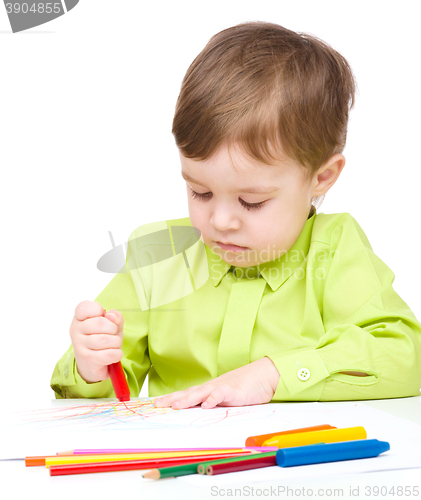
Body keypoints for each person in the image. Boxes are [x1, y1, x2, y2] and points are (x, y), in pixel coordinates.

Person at [51, 21, 421, 408]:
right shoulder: (161, 254)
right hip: (185, 463)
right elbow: (98, 394)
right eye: (201, 192)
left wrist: (274, 374)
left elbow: (404, 356)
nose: (221, 220)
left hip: (293, 463)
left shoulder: (336, 248)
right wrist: (92, 364)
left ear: (321, 177)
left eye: (252, 201)